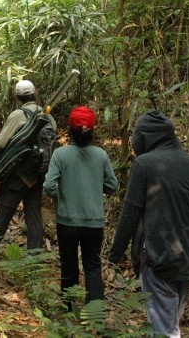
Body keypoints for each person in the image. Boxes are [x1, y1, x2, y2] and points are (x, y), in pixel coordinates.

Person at [107, 110, 189, 338]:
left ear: (145, 137)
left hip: (157, 254)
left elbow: (131, 213)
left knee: (165, 330)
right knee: (170, 323)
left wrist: (114, 255)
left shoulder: (144, 164)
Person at [42, 106, 118, 309]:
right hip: (94, 221)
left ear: (69, 130)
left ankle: (69, 310)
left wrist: (63, 194)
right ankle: (95, 315)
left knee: (68, 264)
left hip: (67, 220)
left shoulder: (61, 154)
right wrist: (93, 186)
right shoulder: (100, 155)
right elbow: (113, 186)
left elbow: (48, 186)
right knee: (92, 265)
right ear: (92, 131)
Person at [0, 79, 56, 251]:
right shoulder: (48, 116)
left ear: (17, 97)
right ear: (35, 94)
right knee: (33, 213)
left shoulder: (18, 115)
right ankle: (34, 255)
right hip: (38, 174)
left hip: (17, 174)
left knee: (4, 211)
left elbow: (1, 144)